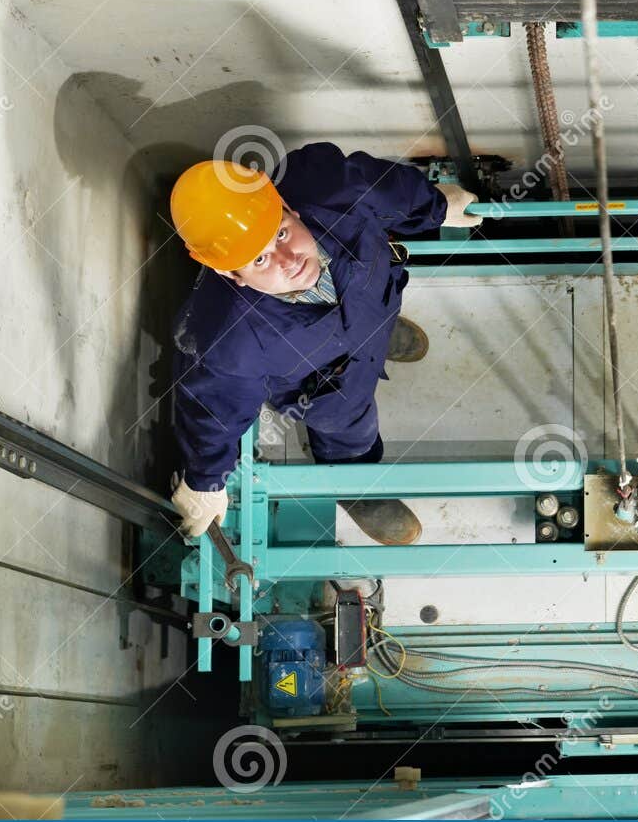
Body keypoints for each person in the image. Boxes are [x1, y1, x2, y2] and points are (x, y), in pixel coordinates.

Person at [167, 143, 479, 544]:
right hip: (334, 387)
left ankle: (380, 339)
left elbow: (388, 188)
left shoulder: (328, 186)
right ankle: (353, 481)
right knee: (352, 428)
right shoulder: (231, 345)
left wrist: (435, 206)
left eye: (281, 233)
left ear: (288, 207)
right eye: (259, 260)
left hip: (373, 305)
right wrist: (205, 479)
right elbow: (214, 411)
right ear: (232, 275)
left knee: (375, 321)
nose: (286, 259)